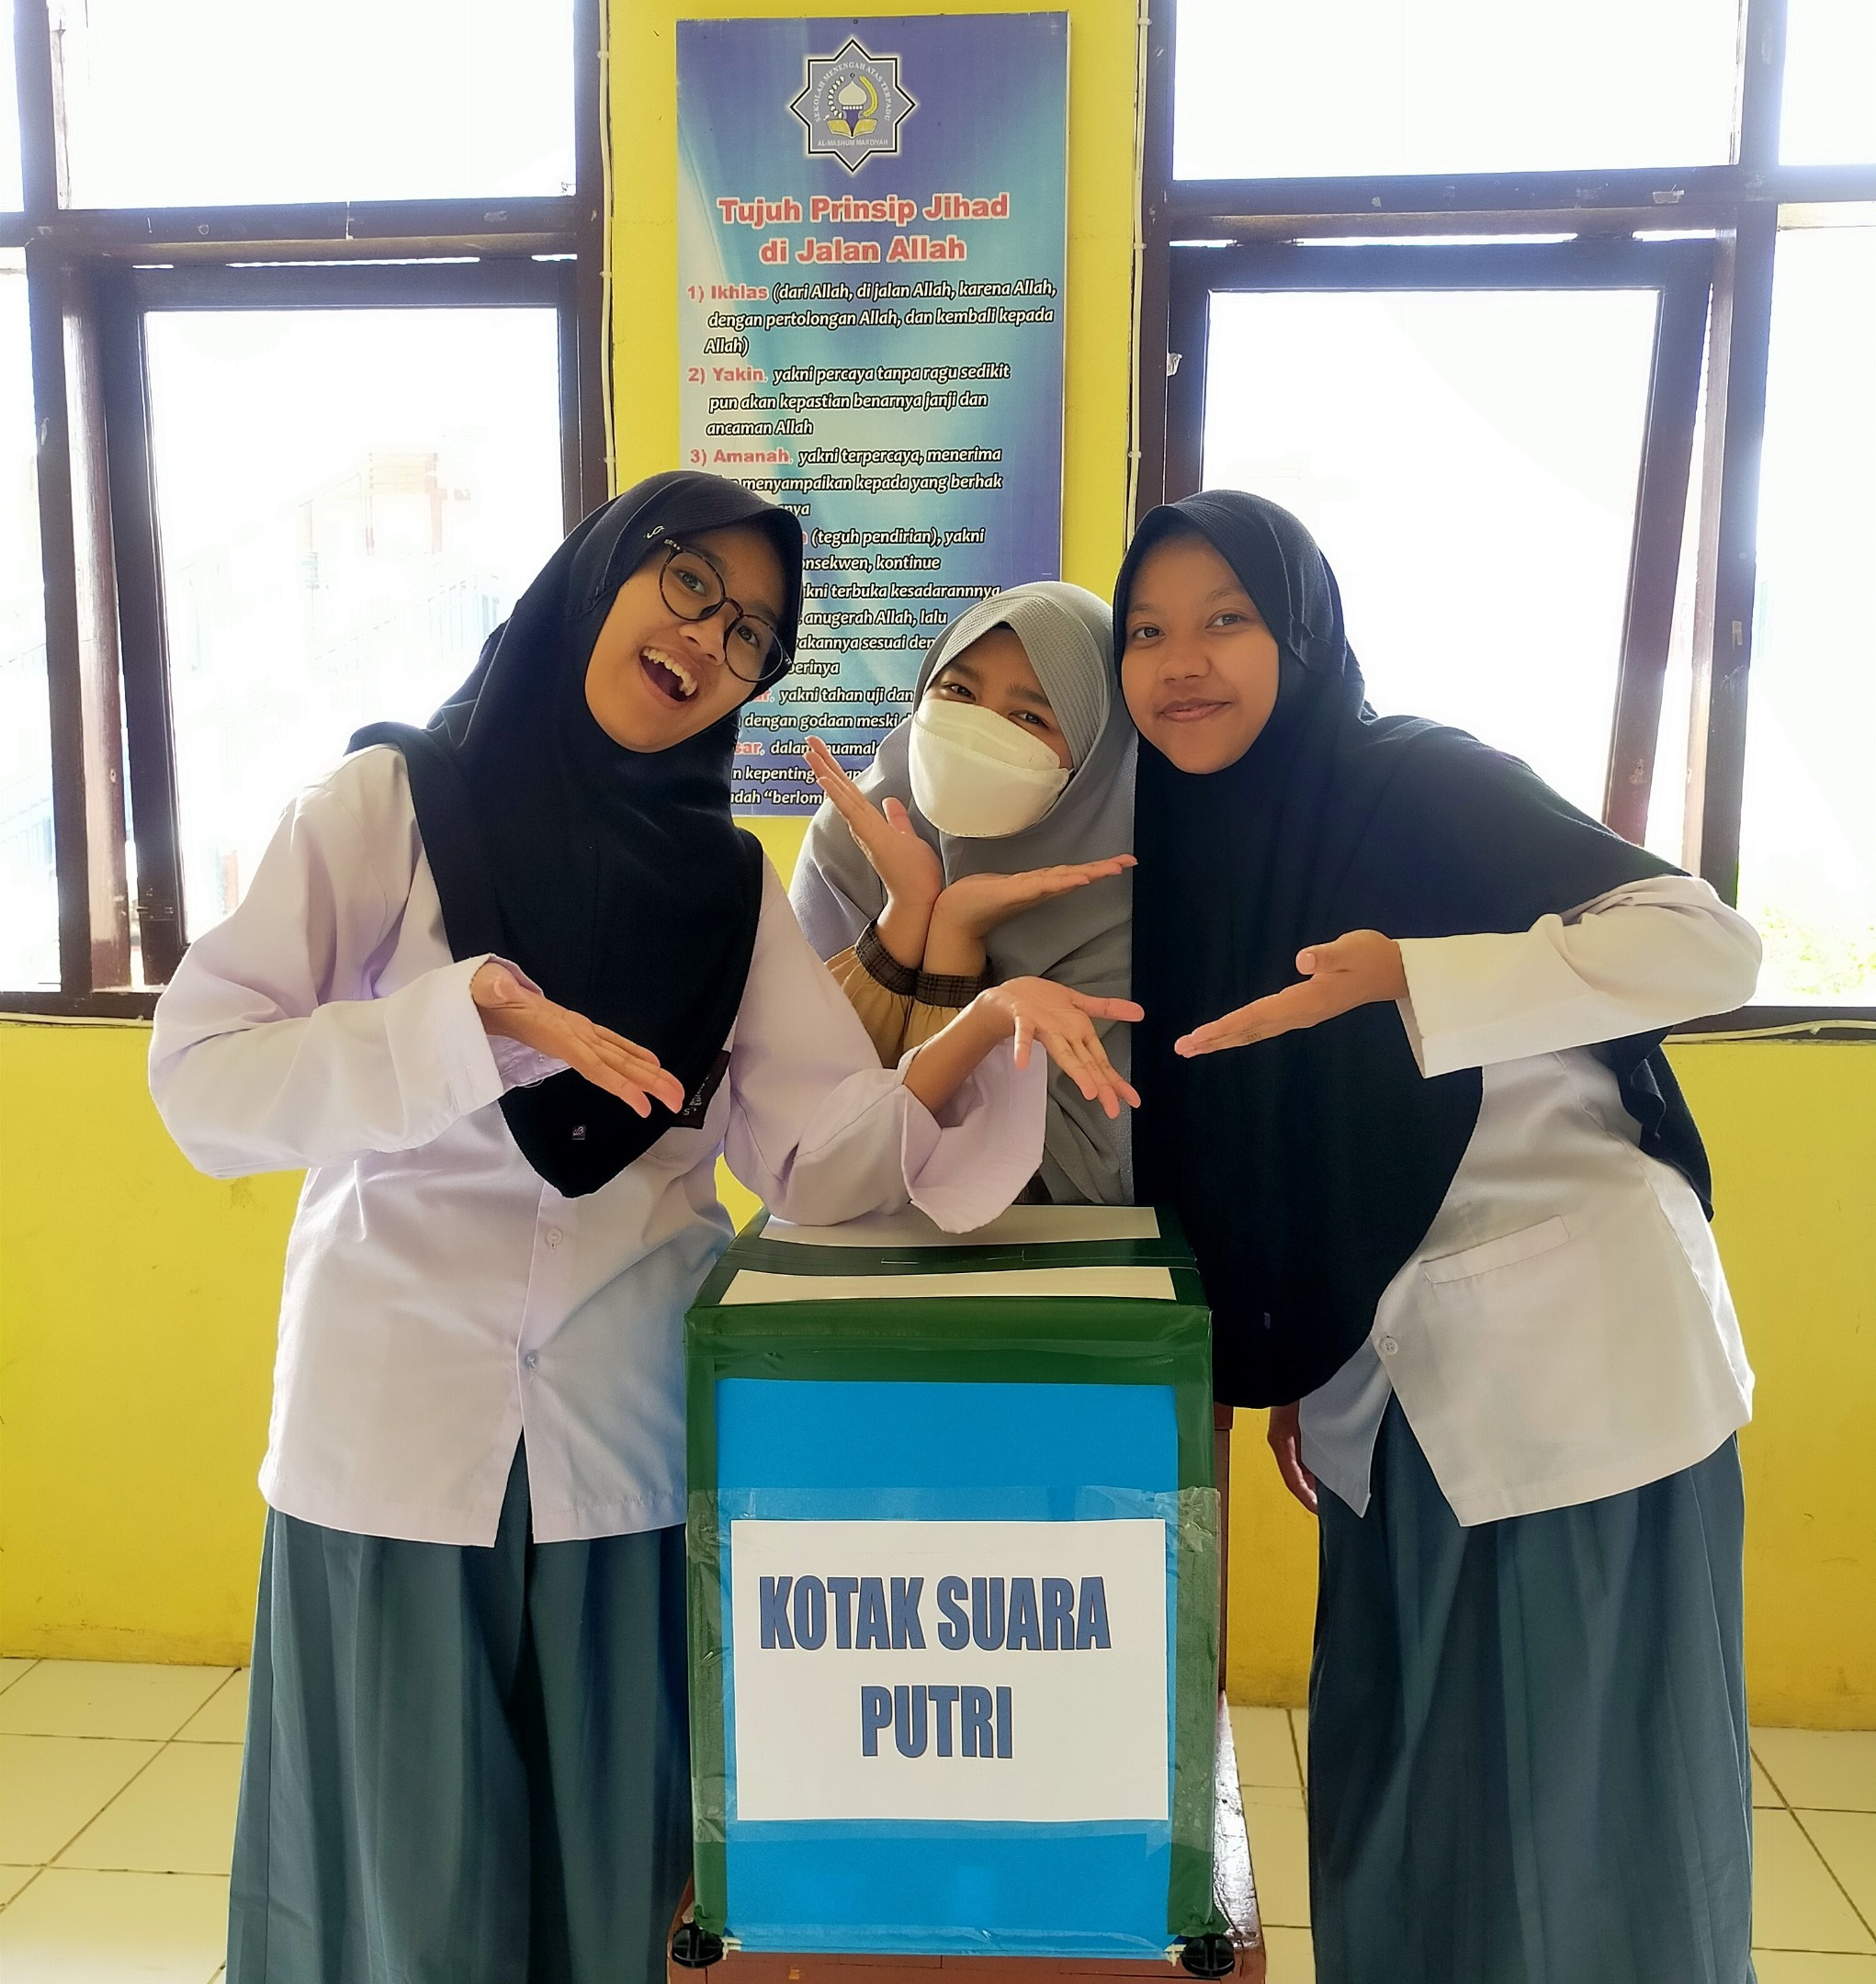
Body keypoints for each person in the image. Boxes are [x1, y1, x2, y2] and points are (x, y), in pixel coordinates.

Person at [148, 472, 1139, 1984]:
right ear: (602, 572)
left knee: (615, 1892)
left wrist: (971, 1029)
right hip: (392, 1437)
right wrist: (461, 1022)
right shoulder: (390, 805)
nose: (706, 640)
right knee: (404, 1900)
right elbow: (203, 1079)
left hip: (620, 1455)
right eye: (688, 585)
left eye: (749, 635)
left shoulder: (724, 887)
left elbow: (813, 1159)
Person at [1113, 490, 1761, 1984]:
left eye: (1225, 620)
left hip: (1571, 1374)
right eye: (1144, 631)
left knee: (1575, 1826)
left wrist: (1416, 976)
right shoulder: (1193, 846)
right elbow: (1264, 1147)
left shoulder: (1413, 779)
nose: (1181, 662)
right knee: (1405, 1806)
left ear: (1300, 634)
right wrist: (1297, 1341)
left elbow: (1706, 945)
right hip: (1389, 1389)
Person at [791, 581, 1137, 1204]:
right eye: (959, 692)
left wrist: (953, 945)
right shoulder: (853, 840)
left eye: (1029, 717)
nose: (977, 731)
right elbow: (807, 1127)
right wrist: (910, 915)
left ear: (1093, 753)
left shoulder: (1118, 892)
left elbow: (1091, 1169)